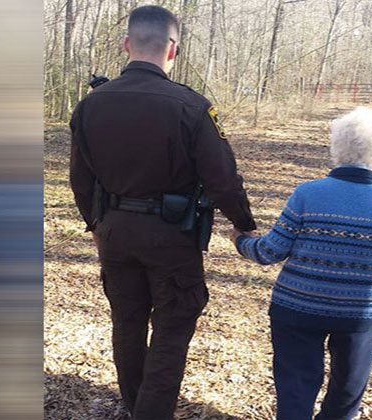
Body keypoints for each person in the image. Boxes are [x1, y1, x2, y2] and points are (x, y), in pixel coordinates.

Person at [69, 5, 256, 419]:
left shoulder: (90, 104)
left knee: (128, 322)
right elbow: (223, 180)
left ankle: (136, 406)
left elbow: (80, 179)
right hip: (171, 237)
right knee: (172, 328)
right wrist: (245, 226)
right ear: (173, 49)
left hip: (114, 231)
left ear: (125, 45)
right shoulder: (190, 106)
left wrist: (95, 226)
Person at [229, 107, 372, 420]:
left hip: (296, 308)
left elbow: (269, 251)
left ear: (336, 147)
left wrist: (241, 240)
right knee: (347, 389)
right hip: (359, 313)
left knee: (295, 384)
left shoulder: (308, 194)